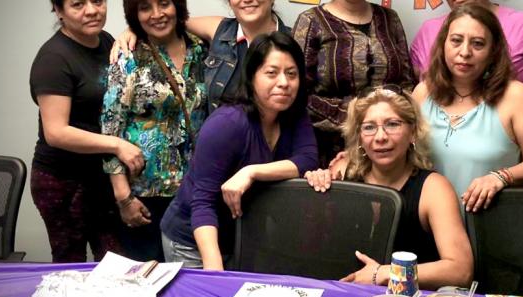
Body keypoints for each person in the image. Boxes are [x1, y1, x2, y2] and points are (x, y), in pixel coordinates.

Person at [160, 31, 318, 269]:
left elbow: (307, 160)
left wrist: (251, 171)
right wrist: (213, 269)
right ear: (252, 76)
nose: (284, 83)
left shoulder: (294, 113)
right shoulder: (227, 124)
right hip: (193, 241)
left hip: (242, 237)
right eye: (271, 73)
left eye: (292, 74)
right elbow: (202, 203)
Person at [304, 86, 473, 289]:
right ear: (359, 137)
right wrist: (316, 186)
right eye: (369, 127)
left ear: (413, 132)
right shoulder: (343, 173)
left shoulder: (433, 189)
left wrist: (385, 273)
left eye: (392, 124)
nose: (380, 137)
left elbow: (461, 270)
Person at [410, 0, 523, 188]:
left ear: (492, 52)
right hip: (429, 214)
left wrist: (501, 177)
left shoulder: (517, 96)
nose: (465, 52)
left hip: (490, 214)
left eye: (478, 44)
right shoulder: (422, 93)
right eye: (456, 40)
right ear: (442, 45)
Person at [29, 0, 143, 262]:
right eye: (77, 4)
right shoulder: (54, 59)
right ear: (59, 11)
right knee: (71, 266)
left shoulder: (105, 41)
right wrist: (116, 144)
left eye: (97, 1)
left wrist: (132, 31)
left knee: (117, 262)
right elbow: (56, 133)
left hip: (99, 176)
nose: (91, 10)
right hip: (62, 180)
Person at [101, 0, 208, 261]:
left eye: (164, 4)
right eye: (145, 7)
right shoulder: (128, 57)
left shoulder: (202, 50)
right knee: (148, 280)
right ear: (134, 14)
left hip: (195, 192)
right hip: (145, 196)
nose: (157, 14)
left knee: (189, 279)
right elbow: (110, 128)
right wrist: (124, 198)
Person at [292, 0, 416, 166]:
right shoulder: (311, 21)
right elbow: (297, 95)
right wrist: (358, 114)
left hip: (388, 148)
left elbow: (406, 85)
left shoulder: (390, 19)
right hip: (329, 153)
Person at [111, 0, 289, 107]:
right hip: (220, 156)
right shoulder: (219, 29)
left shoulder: (296, 40)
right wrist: (133, 29)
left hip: (273, 156)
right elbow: (167, 20)